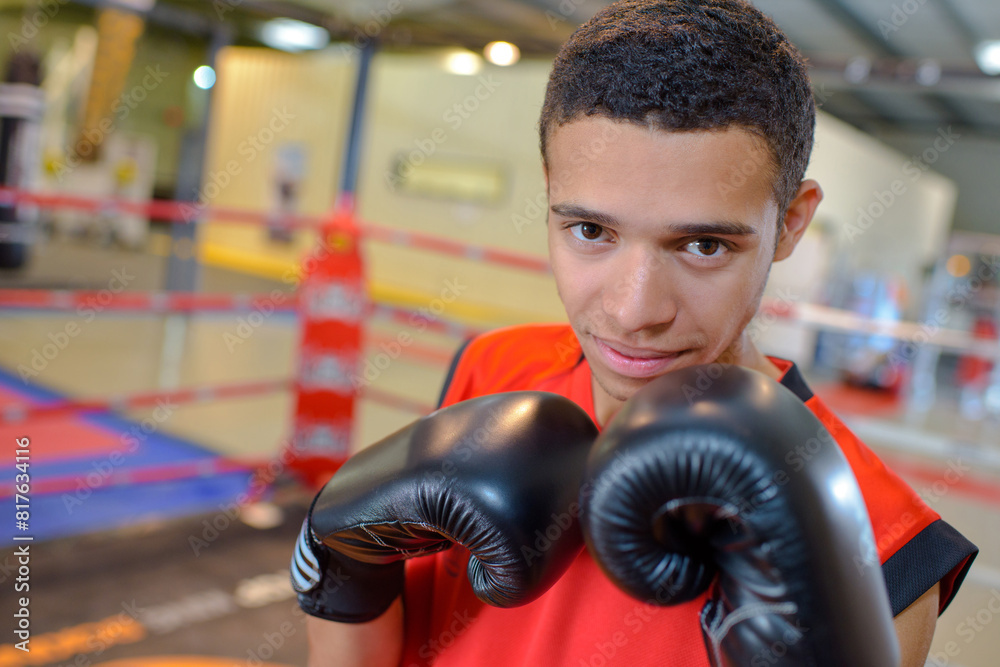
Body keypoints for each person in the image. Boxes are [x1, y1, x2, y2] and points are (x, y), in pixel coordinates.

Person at [303, 1, 978, 665]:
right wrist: (341, 564)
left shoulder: (877, 536)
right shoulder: (495, 366)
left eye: (704, 245)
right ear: (550, 194)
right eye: (591, 231)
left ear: (792, 224)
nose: (634, 311)